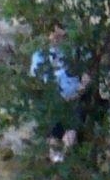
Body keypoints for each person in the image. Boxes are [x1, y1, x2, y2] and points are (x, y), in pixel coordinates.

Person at [29, 26, 84, 162]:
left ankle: (67, 156)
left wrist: (79, 91)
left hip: (75, 95)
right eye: (53, 34)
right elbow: (38, 82)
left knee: (74, 117)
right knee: (53, 116)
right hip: (54, 97)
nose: (56, 38)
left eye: (60, 35)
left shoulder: (75, 52)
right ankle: (55, 156)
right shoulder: (40, 55)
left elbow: (87, 76)